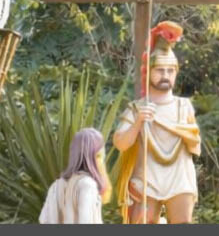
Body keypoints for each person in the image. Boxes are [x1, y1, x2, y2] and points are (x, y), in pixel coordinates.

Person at [114, 21, 201, 224]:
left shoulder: (184, 106)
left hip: (179, 178)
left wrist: (187, 134)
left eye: (170, 71)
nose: (165, 76)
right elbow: (120, 143)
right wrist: (138, 123)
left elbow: (195, 145)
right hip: (147, 179)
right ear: (149, 72)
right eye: (160, 70)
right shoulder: (136, 108)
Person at [39, 127, 111, 223]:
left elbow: (44, 219)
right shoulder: (88, 185)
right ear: (95, 155)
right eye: (100, 154)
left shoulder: (57, 185)